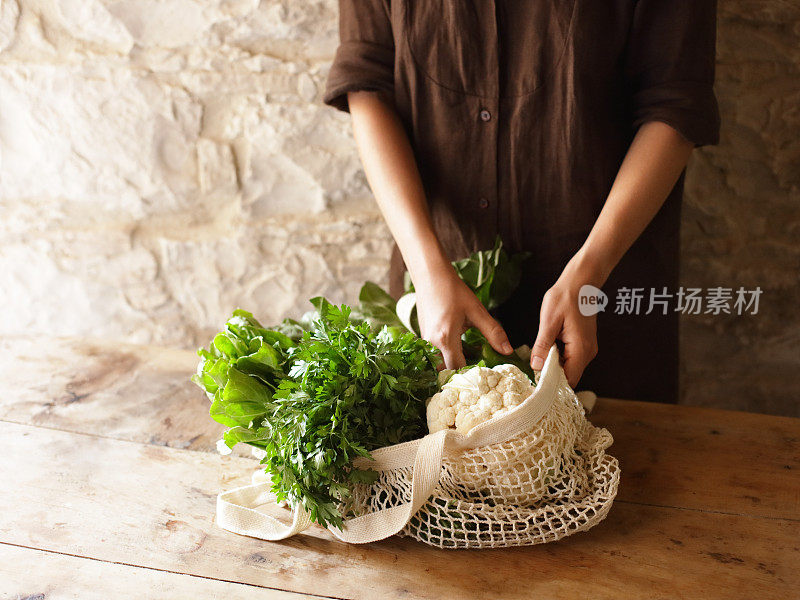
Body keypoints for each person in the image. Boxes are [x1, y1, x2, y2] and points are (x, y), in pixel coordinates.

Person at [322, 1, 720, 403]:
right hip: (438, 288)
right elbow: (367, 86)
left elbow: (674, 104)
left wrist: (590, 272)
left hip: (605, 298)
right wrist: (427, 271)